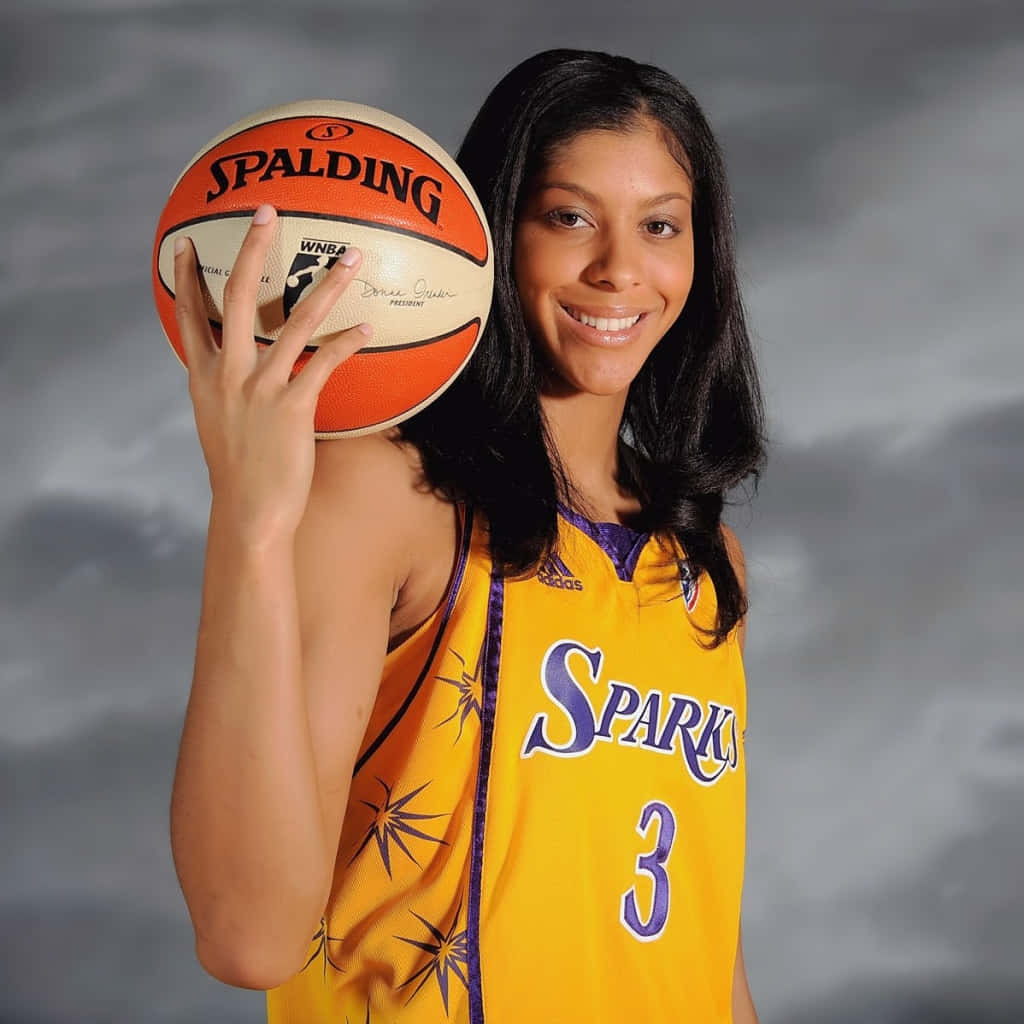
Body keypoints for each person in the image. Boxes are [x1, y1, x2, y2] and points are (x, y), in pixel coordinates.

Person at [169, 48, 765, 1023]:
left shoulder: (705, 568)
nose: (620, 268)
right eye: (568, 217)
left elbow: (707, 953)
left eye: (660, 225)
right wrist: (250, 521)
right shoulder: (391, 496)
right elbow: (248, 935)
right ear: (489, 235)